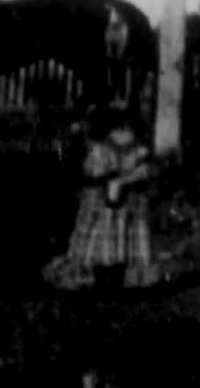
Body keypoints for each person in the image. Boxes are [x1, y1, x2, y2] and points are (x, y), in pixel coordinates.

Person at [43, 104, 160, 290]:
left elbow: (92, 171)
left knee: (94, 238)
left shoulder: (102, 150)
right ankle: (116, 274)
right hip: (124, 200)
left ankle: (90, 273)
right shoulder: (136, 148)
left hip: (103, 197)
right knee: (121, 237)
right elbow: (146, 171)